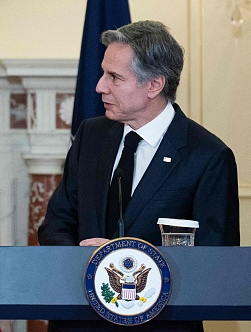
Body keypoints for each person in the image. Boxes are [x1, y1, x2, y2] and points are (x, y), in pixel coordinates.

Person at [38, 20, 239, 331]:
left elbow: (217, 265)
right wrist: (78, 258)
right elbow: (57, 223)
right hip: (80, 321)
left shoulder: (208, 157)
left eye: (114, 77)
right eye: (104, 73)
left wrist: (129, 263)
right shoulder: (91, 135)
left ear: (154, 85)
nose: (99, 86)